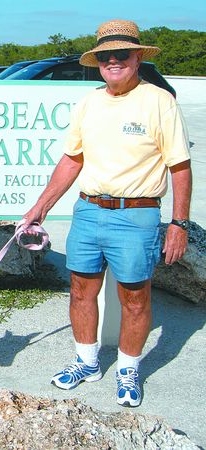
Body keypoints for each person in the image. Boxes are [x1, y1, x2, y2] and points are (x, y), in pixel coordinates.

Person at [22, 19, 192, 407]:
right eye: (105, 56)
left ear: (137, 58)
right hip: (88, 210)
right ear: (97, 62)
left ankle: (128, 369)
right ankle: (87, 363)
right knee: (81, 290)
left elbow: (180, 167)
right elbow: (72, 160)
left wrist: (179, 224)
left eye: (122, 54)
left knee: (135, 298)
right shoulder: (89, 103)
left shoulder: (160, 101)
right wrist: (40, 208)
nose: (113, 61)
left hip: (137, 215)